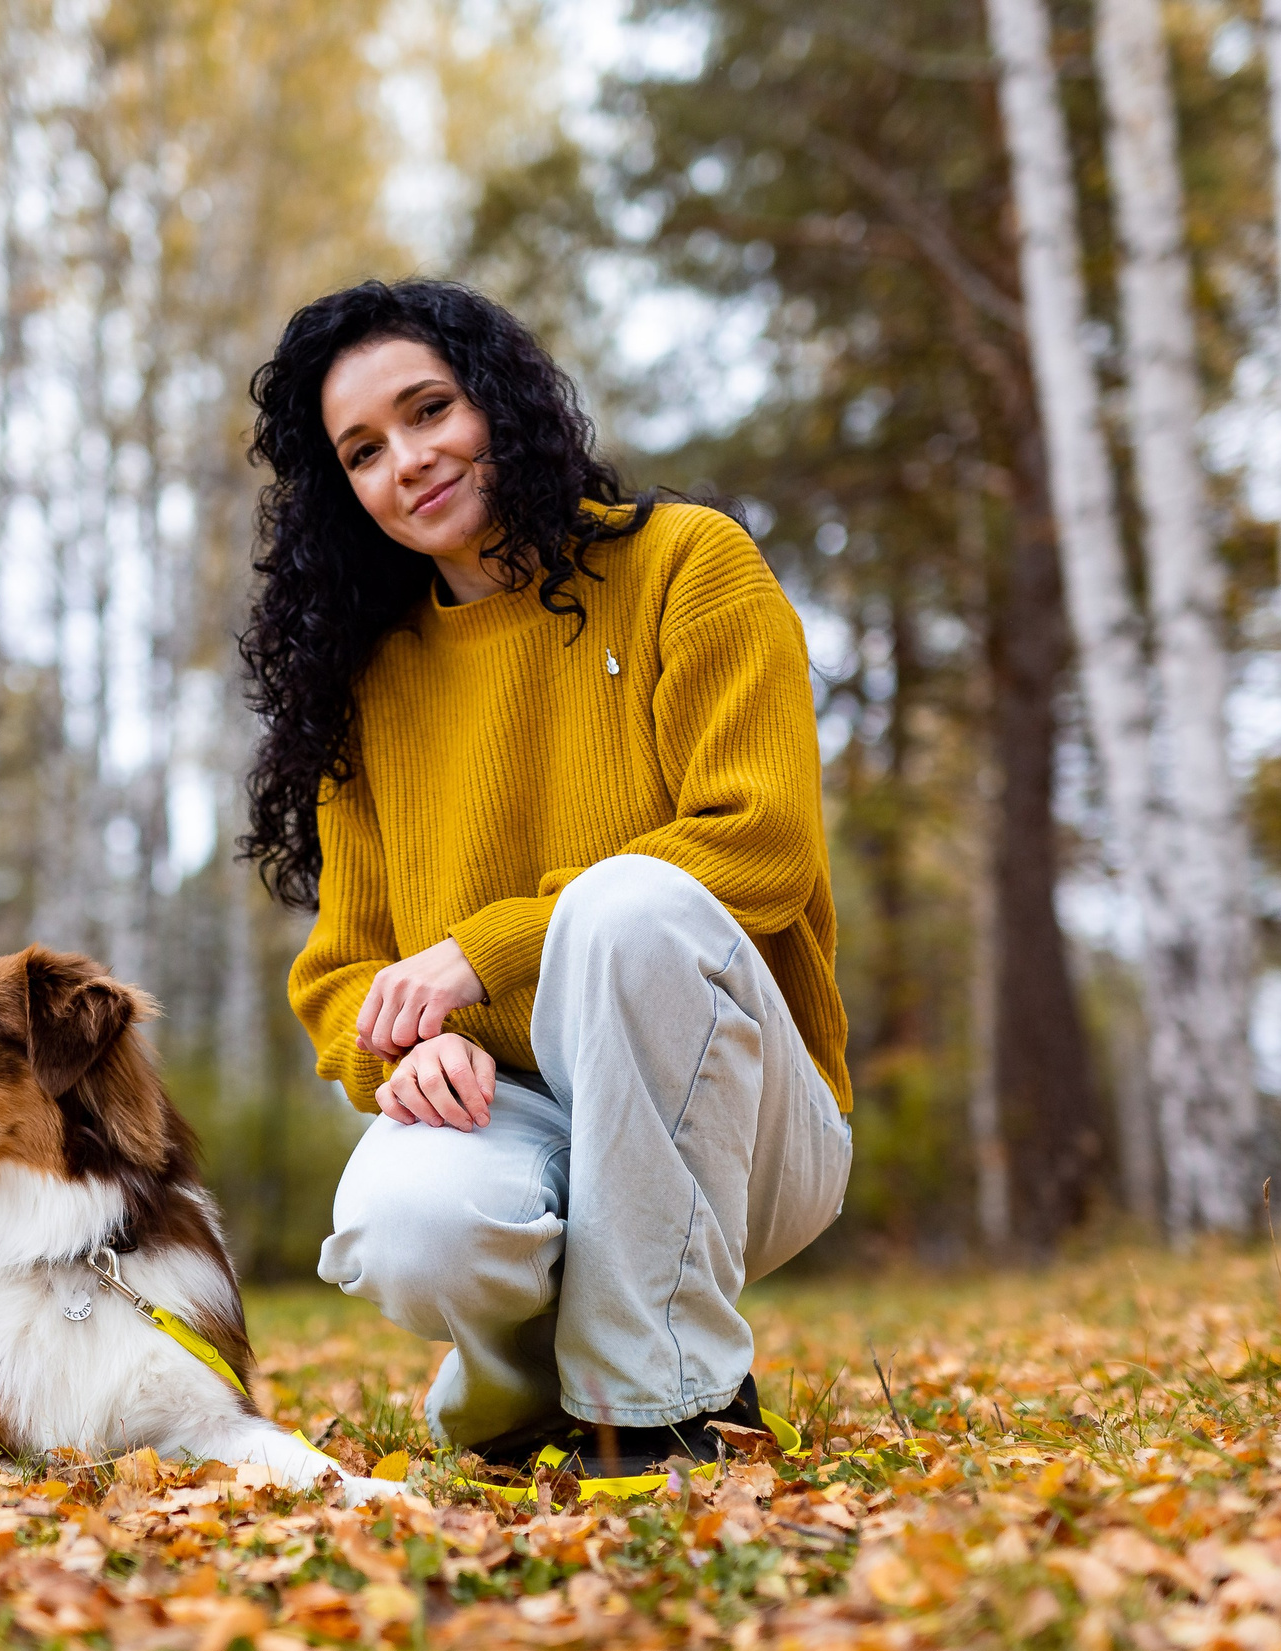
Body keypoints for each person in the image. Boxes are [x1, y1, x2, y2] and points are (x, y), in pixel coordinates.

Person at [238, 279, 854, 1474]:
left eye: (429, 411)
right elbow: (340, 976)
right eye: (363, 450)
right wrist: (407, 1051)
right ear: (340, 494)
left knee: (627, 908)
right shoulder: (371, 685)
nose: (407, 461)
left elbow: (764, 841)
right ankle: (517, 1405)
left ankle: (660, 1405)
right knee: (406, 1223)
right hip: (521, 1119)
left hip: (748, 1127)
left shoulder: (688, 565)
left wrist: (490, 948)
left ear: (498, 401)